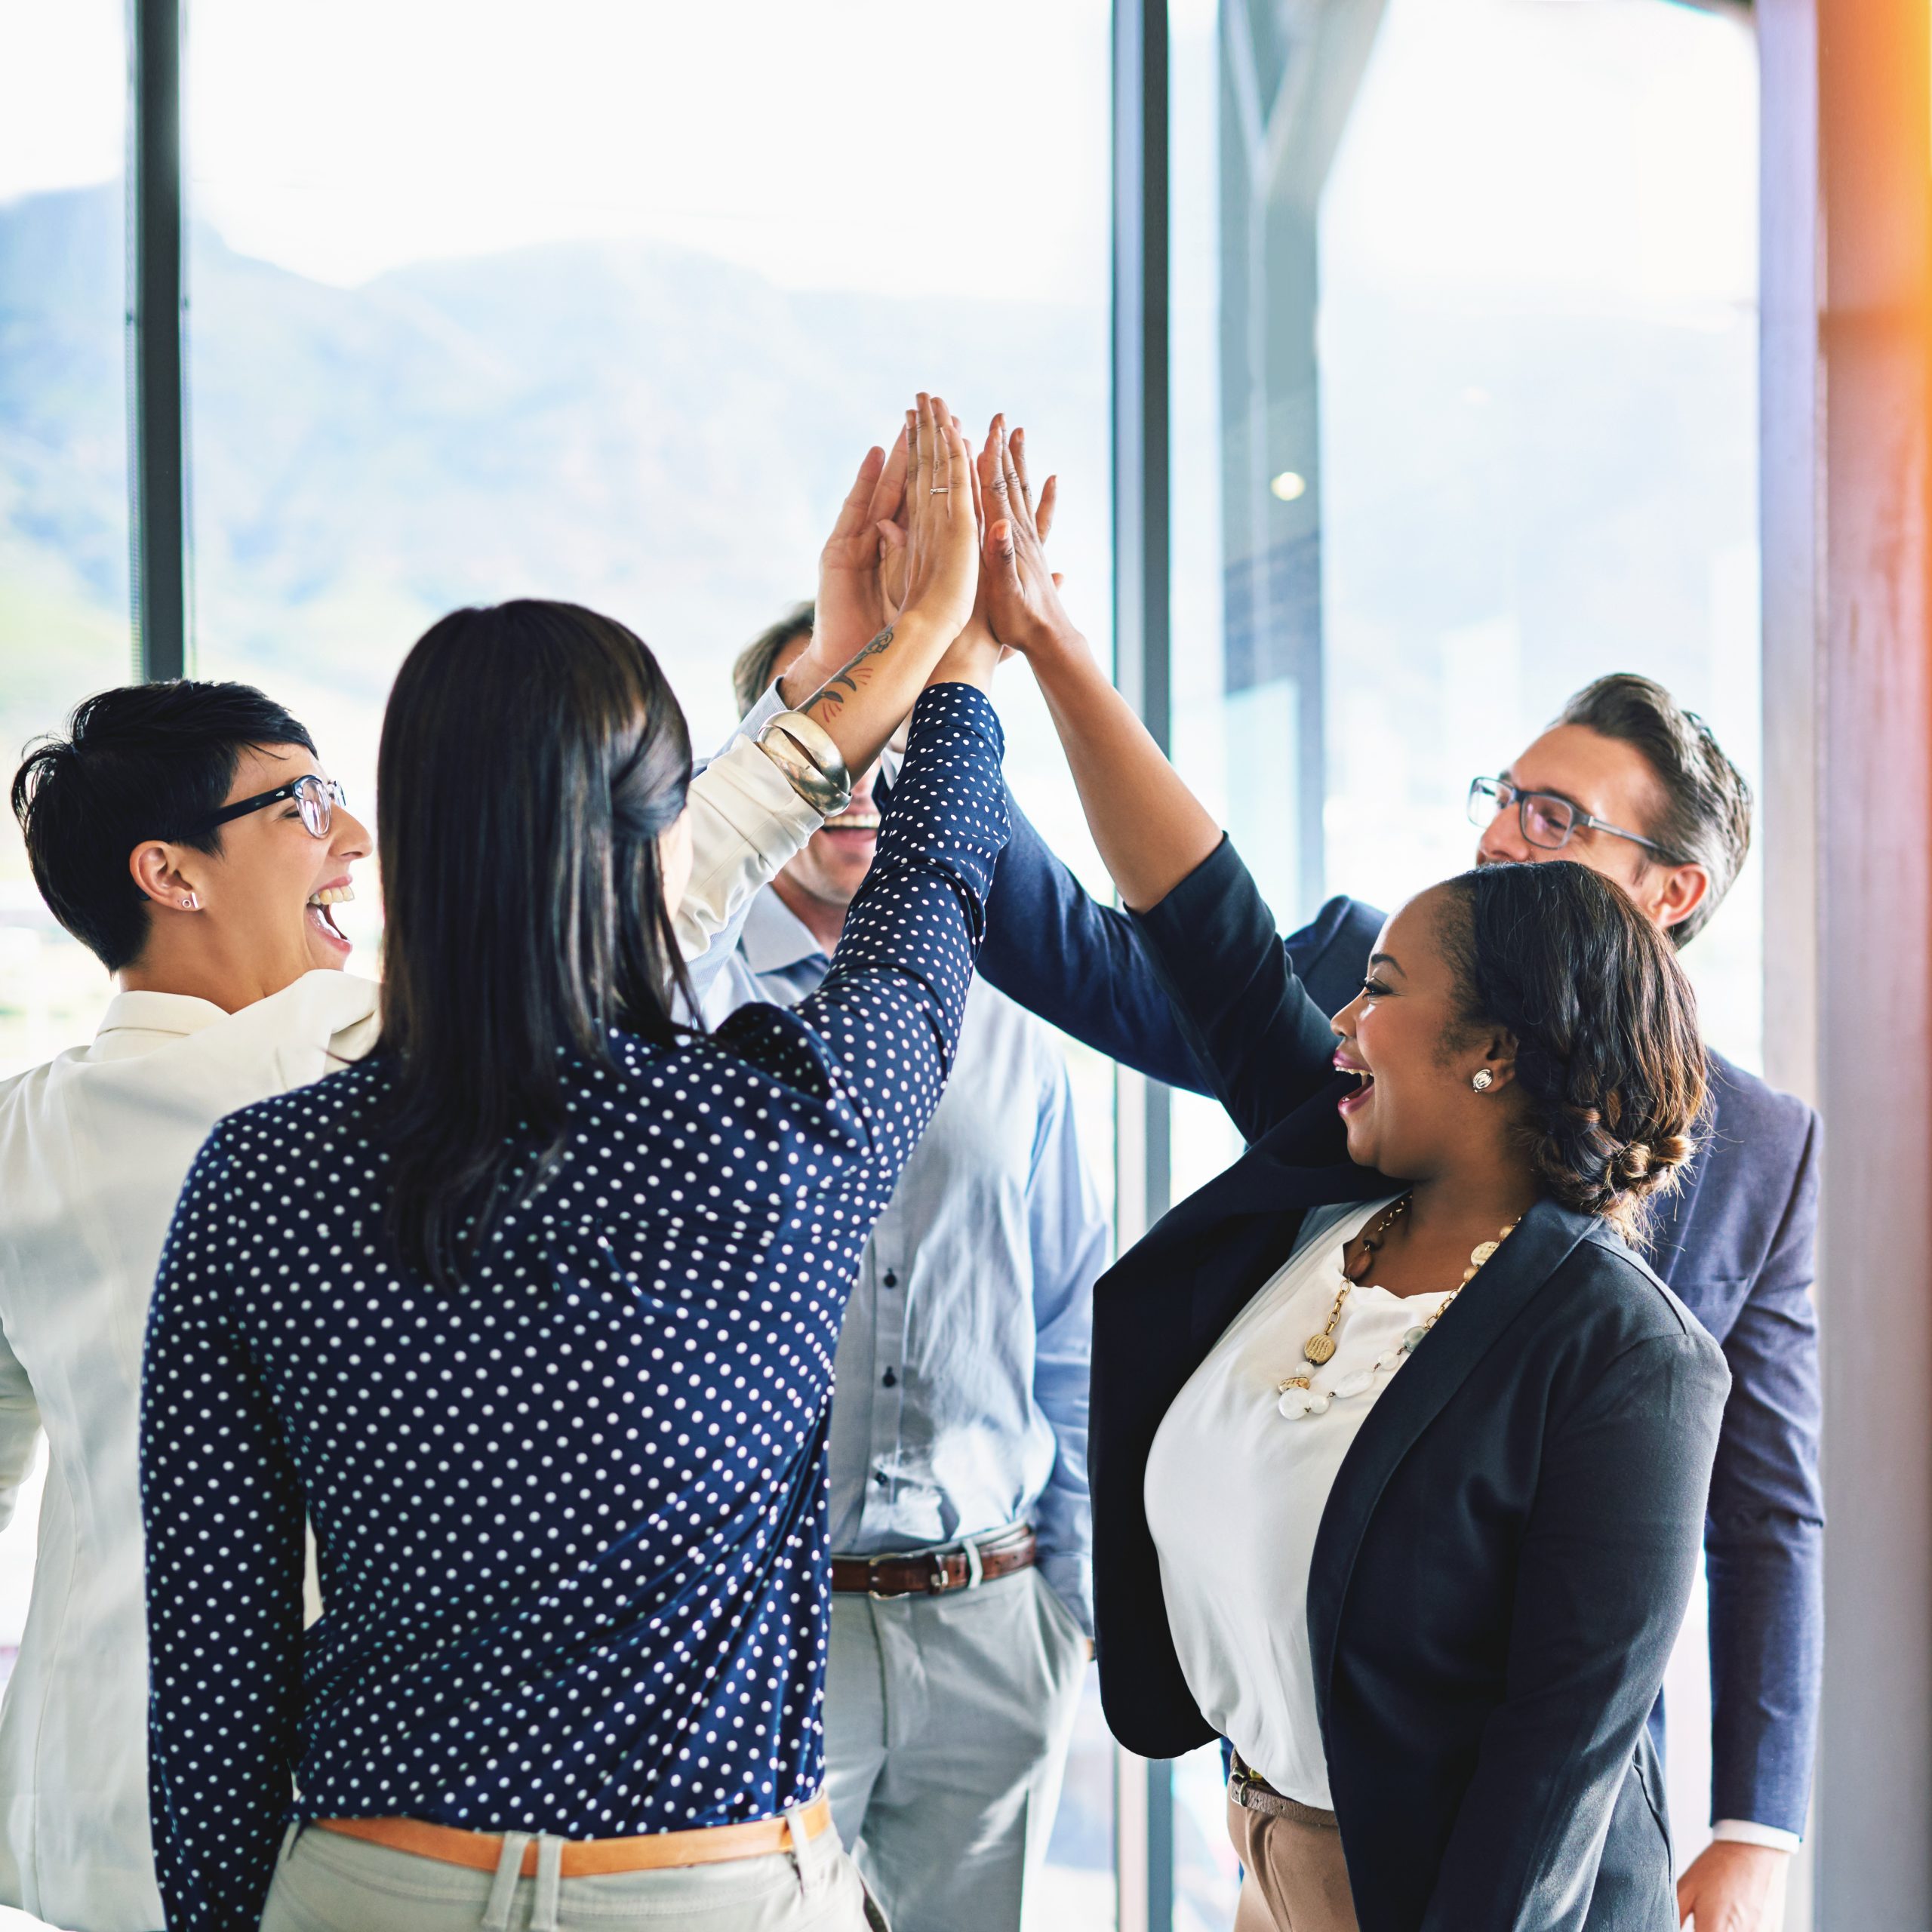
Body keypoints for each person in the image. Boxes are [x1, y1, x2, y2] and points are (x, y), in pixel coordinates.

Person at [0, 424, 943, 1932]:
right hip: (350, 1807)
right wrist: (875, 682)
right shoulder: (346, 1086)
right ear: (168, 873)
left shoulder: (24, 1132)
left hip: (97, 1803)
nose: (353, 840)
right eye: (301, 806)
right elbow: (623, 898)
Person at [971, 441, 1820, 1932]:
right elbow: (1203, 925)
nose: (1340, 1020)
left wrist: (1758, 1816)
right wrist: (1027, 650)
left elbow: (1728, 1550)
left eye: (1374, 992)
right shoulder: (1345, 1157)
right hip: (1275, 1837)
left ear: (1489, 1048)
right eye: (1506, 793)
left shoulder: (1635, 1332)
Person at [710, 602, 1104, 1932]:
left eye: (903, 737)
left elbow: (1071, 1325)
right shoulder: (678, 1007)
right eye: (836, 730)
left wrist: (1071, 1605)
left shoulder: (1012, 1026)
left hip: (990, 1620)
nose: (866, 780)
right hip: (757, 1627)